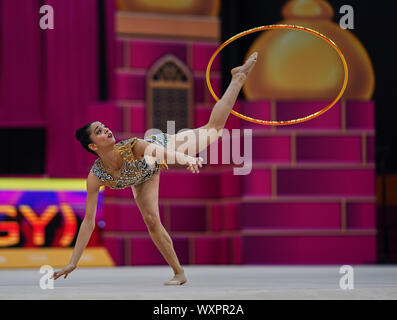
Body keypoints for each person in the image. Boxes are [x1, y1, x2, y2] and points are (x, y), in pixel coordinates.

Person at [52, 52, 258, 285]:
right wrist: (73, 262)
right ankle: (179, 273)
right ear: (92, 145)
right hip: (142, 177)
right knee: (151, 221)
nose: (106, 130)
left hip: (162, 148)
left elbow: (160, 154)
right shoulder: (95, 176)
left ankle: (237, 79)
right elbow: (88, 222)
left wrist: (184, 157)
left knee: (213, 130)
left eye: (104, 126)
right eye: (99, 131)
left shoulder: (132, 146)